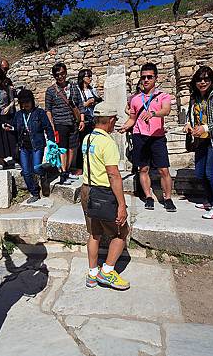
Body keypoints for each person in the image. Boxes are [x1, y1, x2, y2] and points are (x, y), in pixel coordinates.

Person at [81, 102, 130, 290]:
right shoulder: (107, 142)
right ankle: (107, 272)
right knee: (121, 232)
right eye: (115, 119)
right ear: (110, 120)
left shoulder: (87, 139)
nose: (115, 123)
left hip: (87, 190)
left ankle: (92, 273)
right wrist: (122, 204)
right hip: (103, 192)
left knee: (95, 232)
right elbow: (113, 175)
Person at [120, 63, 176, 212]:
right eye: (143, 77)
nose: (146, 80)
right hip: (140, 136)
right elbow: (132, 118)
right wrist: (125, 126)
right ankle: (148, 196)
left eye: (149, 77)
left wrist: (153, 114)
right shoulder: (136, 99)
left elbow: (166, 110)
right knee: (143, 168)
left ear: (155, 78)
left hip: (157, 136)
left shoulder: (163, 96)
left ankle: (168, 198)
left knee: (163, 169)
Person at [183, 66, 213, 219]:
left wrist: (205, 127)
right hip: (200, 139)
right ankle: (210, 200)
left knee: (210, 173)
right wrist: (188, 124)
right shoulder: (195, 96)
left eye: (206, 79)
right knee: (200, 173)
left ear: (212, 80)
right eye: (199, 79)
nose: (202, 82)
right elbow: (191, 114)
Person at [4, 89, 56, 203]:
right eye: (23, 102)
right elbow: (15, 128)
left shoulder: (40, 113)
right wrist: (10, 128)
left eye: (28, 101)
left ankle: (43, 175)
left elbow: (48, 127)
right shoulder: (19, 115)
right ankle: (35, 192)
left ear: (32, 101)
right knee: (26, 172)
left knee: (36, 168)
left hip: (37, 145)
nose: (26, 104)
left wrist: (52, 142)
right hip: (24, 146)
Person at [45, 62, 86, 184]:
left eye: (62, 73)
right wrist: (52, 125)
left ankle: (67, 170)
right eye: (57, 75)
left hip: (73, 122)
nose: (60, 76)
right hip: (60, 122)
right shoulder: (51, 91)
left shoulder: (73, 87)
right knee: (62, 148)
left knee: (73, 147)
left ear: (66, 73)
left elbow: (80, 104)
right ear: (54, 76)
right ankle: (63, 173)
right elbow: (48, 109)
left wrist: (82, 120)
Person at [74, 68, 102, 172]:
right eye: (88, 76)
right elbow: (75, 105)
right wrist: (86, 103)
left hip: (92, 119)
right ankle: (80, 166)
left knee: (93, 143)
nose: (90, 78)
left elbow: (99, 100)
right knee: (82, 143)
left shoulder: (92, 90)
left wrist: (94, 101)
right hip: (82, 119)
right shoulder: (77, 90)